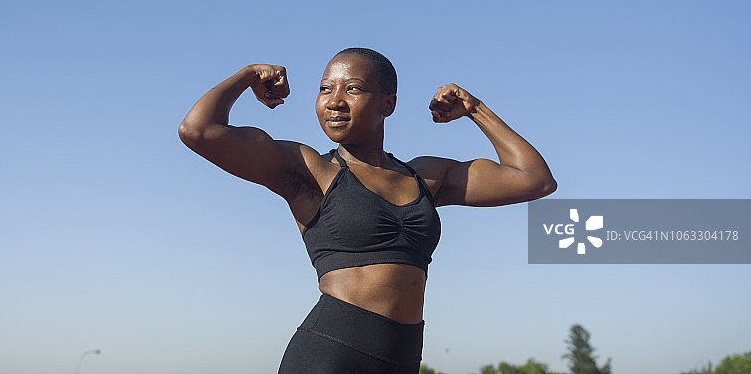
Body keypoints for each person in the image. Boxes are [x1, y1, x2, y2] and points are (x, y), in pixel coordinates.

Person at [178, 47, 557, 374]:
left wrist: (475, 109)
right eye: (325, 89)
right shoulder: (310, 170)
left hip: (403, 360)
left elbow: (534, 179)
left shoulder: (426, 176)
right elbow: (198, 131)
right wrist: (248, 75)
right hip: (329, 355)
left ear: (387, 104)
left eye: (352, 88)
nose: (334, 100)